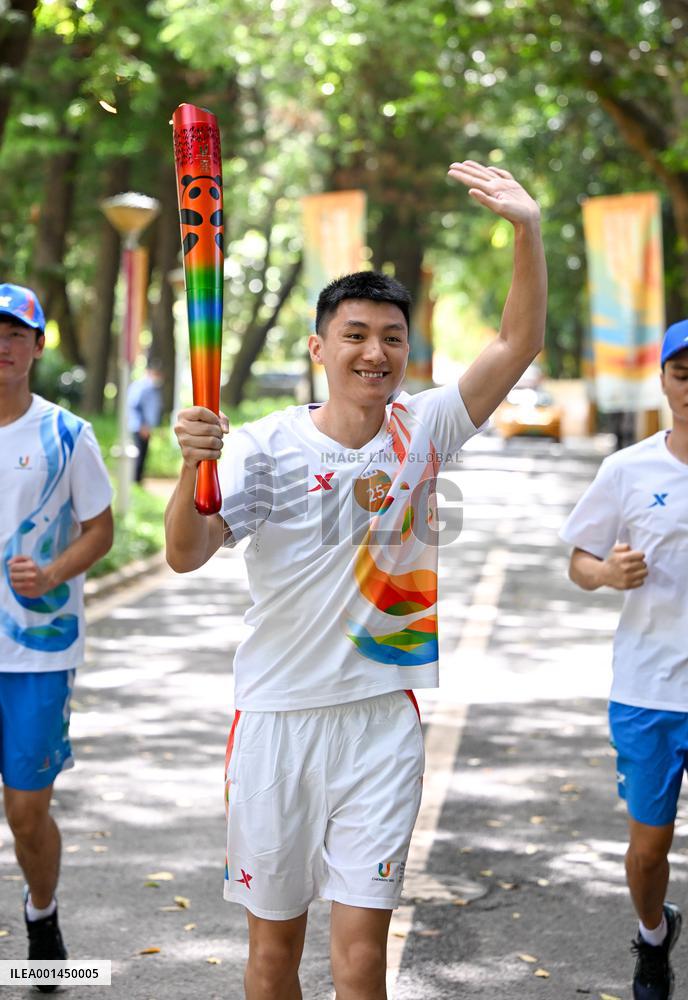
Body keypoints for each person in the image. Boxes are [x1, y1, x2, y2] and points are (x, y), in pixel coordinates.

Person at [164, 160, 546, 1000]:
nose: (376, 353)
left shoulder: (424, 430)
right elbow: (187, 552)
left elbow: (516, 343)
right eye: (356, 335)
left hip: (380, 722)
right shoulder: (263, 448)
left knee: (364, 959)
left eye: (392, 338)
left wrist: (527, 228)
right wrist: (190, 470)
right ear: (319, 348)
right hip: (277, 720)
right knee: (273, 956)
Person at [561, 319, 688, 1000]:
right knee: (646, 853)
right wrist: (608, 573)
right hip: (649, 692)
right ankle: (653, 934)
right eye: (683, 374)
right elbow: (580, 561)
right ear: (663, 381)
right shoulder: (628, 470)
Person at [0, 283, 113, 986]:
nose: (3, 345)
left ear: (38, 346)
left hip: (36, 652)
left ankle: (41, 912)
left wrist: (51, 573)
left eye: (16, 333)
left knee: (25, 811)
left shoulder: (66, 435)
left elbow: (100, 529)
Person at [127, 357, 164, 483]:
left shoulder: (152, 388)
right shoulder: (142, 386)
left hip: (146, 427)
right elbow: (136, 405)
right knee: (139, 454)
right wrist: (143, 425)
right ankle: (135, 480)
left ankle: (138, 479)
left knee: (143, 454)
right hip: (140, 427)